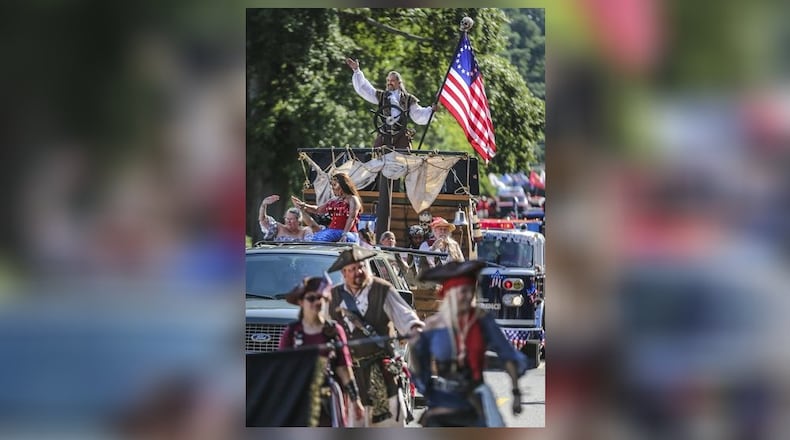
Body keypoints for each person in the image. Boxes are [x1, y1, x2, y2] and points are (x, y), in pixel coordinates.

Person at [409, 260, 529, 427]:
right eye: (463, 291)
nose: (468, 296)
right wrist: (415, 347)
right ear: (450, 293)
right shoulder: (433, 326)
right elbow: (419, 367)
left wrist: (516, 392)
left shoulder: (482, 320)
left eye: (472, 292)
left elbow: (507, 355)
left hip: (476, 395)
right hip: (442, 398)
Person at [326, 246, 424, 427]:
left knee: (388, 424)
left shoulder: (381, 289)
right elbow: (323, 328)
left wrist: (416, 329)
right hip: (348, 375)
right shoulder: (333, 296)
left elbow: (406, 317)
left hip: (380, 370)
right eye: (353, 269)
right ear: (344, 272)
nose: (359, 272)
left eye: (362, 266)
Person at [278, 276, 366, 426]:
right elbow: (282, 371)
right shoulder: (292, 333)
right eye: (311, 298)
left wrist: (355, 400)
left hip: (328, 399)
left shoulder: (334, 330)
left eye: (321, 298)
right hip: (299, 398)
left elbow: (344, 369)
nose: (317, 302)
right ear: (301, 302)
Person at [346, 57, 437, 150]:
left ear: (399, 82)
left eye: (392, 81)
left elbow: (418, 114)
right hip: (385, 134)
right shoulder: (381, 96)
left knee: (405, 159)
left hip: (401, 135)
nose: (389, 83)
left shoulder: (408, 99)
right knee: (376, 156)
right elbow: (365, 89)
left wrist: (430, 111)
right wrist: (357, 70)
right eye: (388, 81)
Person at [291, 173, 361, 243]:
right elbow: (318, 210)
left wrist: (345, 234)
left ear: (343, 185)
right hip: (332, 232)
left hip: (349, 233)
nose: (333, 188)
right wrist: (303, 205)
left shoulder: (352, 199)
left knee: (323, 237)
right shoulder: (334, 200)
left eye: (334, 185)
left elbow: (352, 217)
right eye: (332, 185)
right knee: (316, 238)